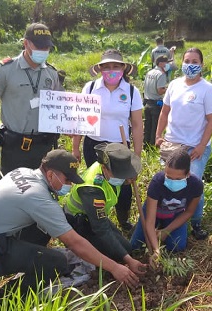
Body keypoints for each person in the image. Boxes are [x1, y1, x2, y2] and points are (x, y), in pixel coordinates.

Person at [0, 149, 145, 310]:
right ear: (50, 175)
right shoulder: (38, 197)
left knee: (50, 226)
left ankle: (30, 264)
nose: (70, 185)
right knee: (55, 263)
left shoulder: (24, 172)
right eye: (67, 180)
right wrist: (115, 267)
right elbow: (74, 243)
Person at [71, 49, 143, 231]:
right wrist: (75, 148)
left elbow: (136, 124)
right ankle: (96, 220)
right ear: (100, 69)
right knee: (96, 183)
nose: (111, 70)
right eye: (107, 66)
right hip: (93, 145)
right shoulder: (90, 88)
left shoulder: (132, 92)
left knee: (124, 187)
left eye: (116, 66)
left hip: (120, 147)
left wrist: (137, 154)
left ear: (123, 69)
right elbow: (81, 119)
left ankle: (123, 220)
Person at [155, 47, 212, 240]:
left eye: (194, 62)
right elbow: (165, 112)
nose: (190, 65)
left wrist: (202, 145)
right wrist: (159, 135)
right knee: (168, 182)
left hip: (194, 147)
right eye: (187, 61)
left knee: (194, 184)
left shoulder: (207, 89)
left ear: (201, 64)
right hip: (172, 144)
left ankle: (196, 222)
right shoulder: (175, 84)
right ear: (181, 63)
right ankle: (166, 216)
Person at [0, 23, 64, 175]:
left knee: (41, 190)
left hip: (43, 145)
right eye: (38, 46)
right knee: (11, 189)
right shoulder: (5, 69)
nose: (43, 51)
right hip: (14, 146)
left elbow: (60, 108)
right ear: (26, 43)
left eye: (46, 47)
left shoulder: (51, 74)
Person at [64, 143, 145, 271]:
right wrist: (128, 260)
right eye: (120, 175)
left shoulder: (110, 169)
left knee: (126, 248)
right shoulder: (92, 189)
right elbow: (101, 228)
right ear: (104, 168)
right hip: (78, 224)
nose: (123, 178)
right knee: (115, 256)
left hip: (96, 217)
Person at [130, 149, 203, 268]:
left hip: (175, 215)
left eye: (178, 179)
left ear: (188, 174)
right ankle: (155, 233)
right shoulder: (157, 182)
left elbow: (189, 212)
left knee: (177, 246)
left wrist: (167, 230)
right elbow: (150, 221)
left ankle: (161, 230)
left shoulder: (196, 185)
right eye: (169, 177)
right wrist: (156, 250)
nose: (172, 182)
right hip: (154, 213)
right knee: (135, 245)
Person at [143, 55, 169, 146]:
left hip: (147, 103)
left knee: (147, 127)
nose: (167, 64)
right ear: (161, 63)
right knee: (155, 128)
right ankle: (153, 147)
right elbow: (160, 90)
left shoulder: (149, 72)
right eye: (166, 62)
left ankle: (145, 146)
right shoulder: (161, 74)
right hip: (155, 104)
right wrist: (168, 89)